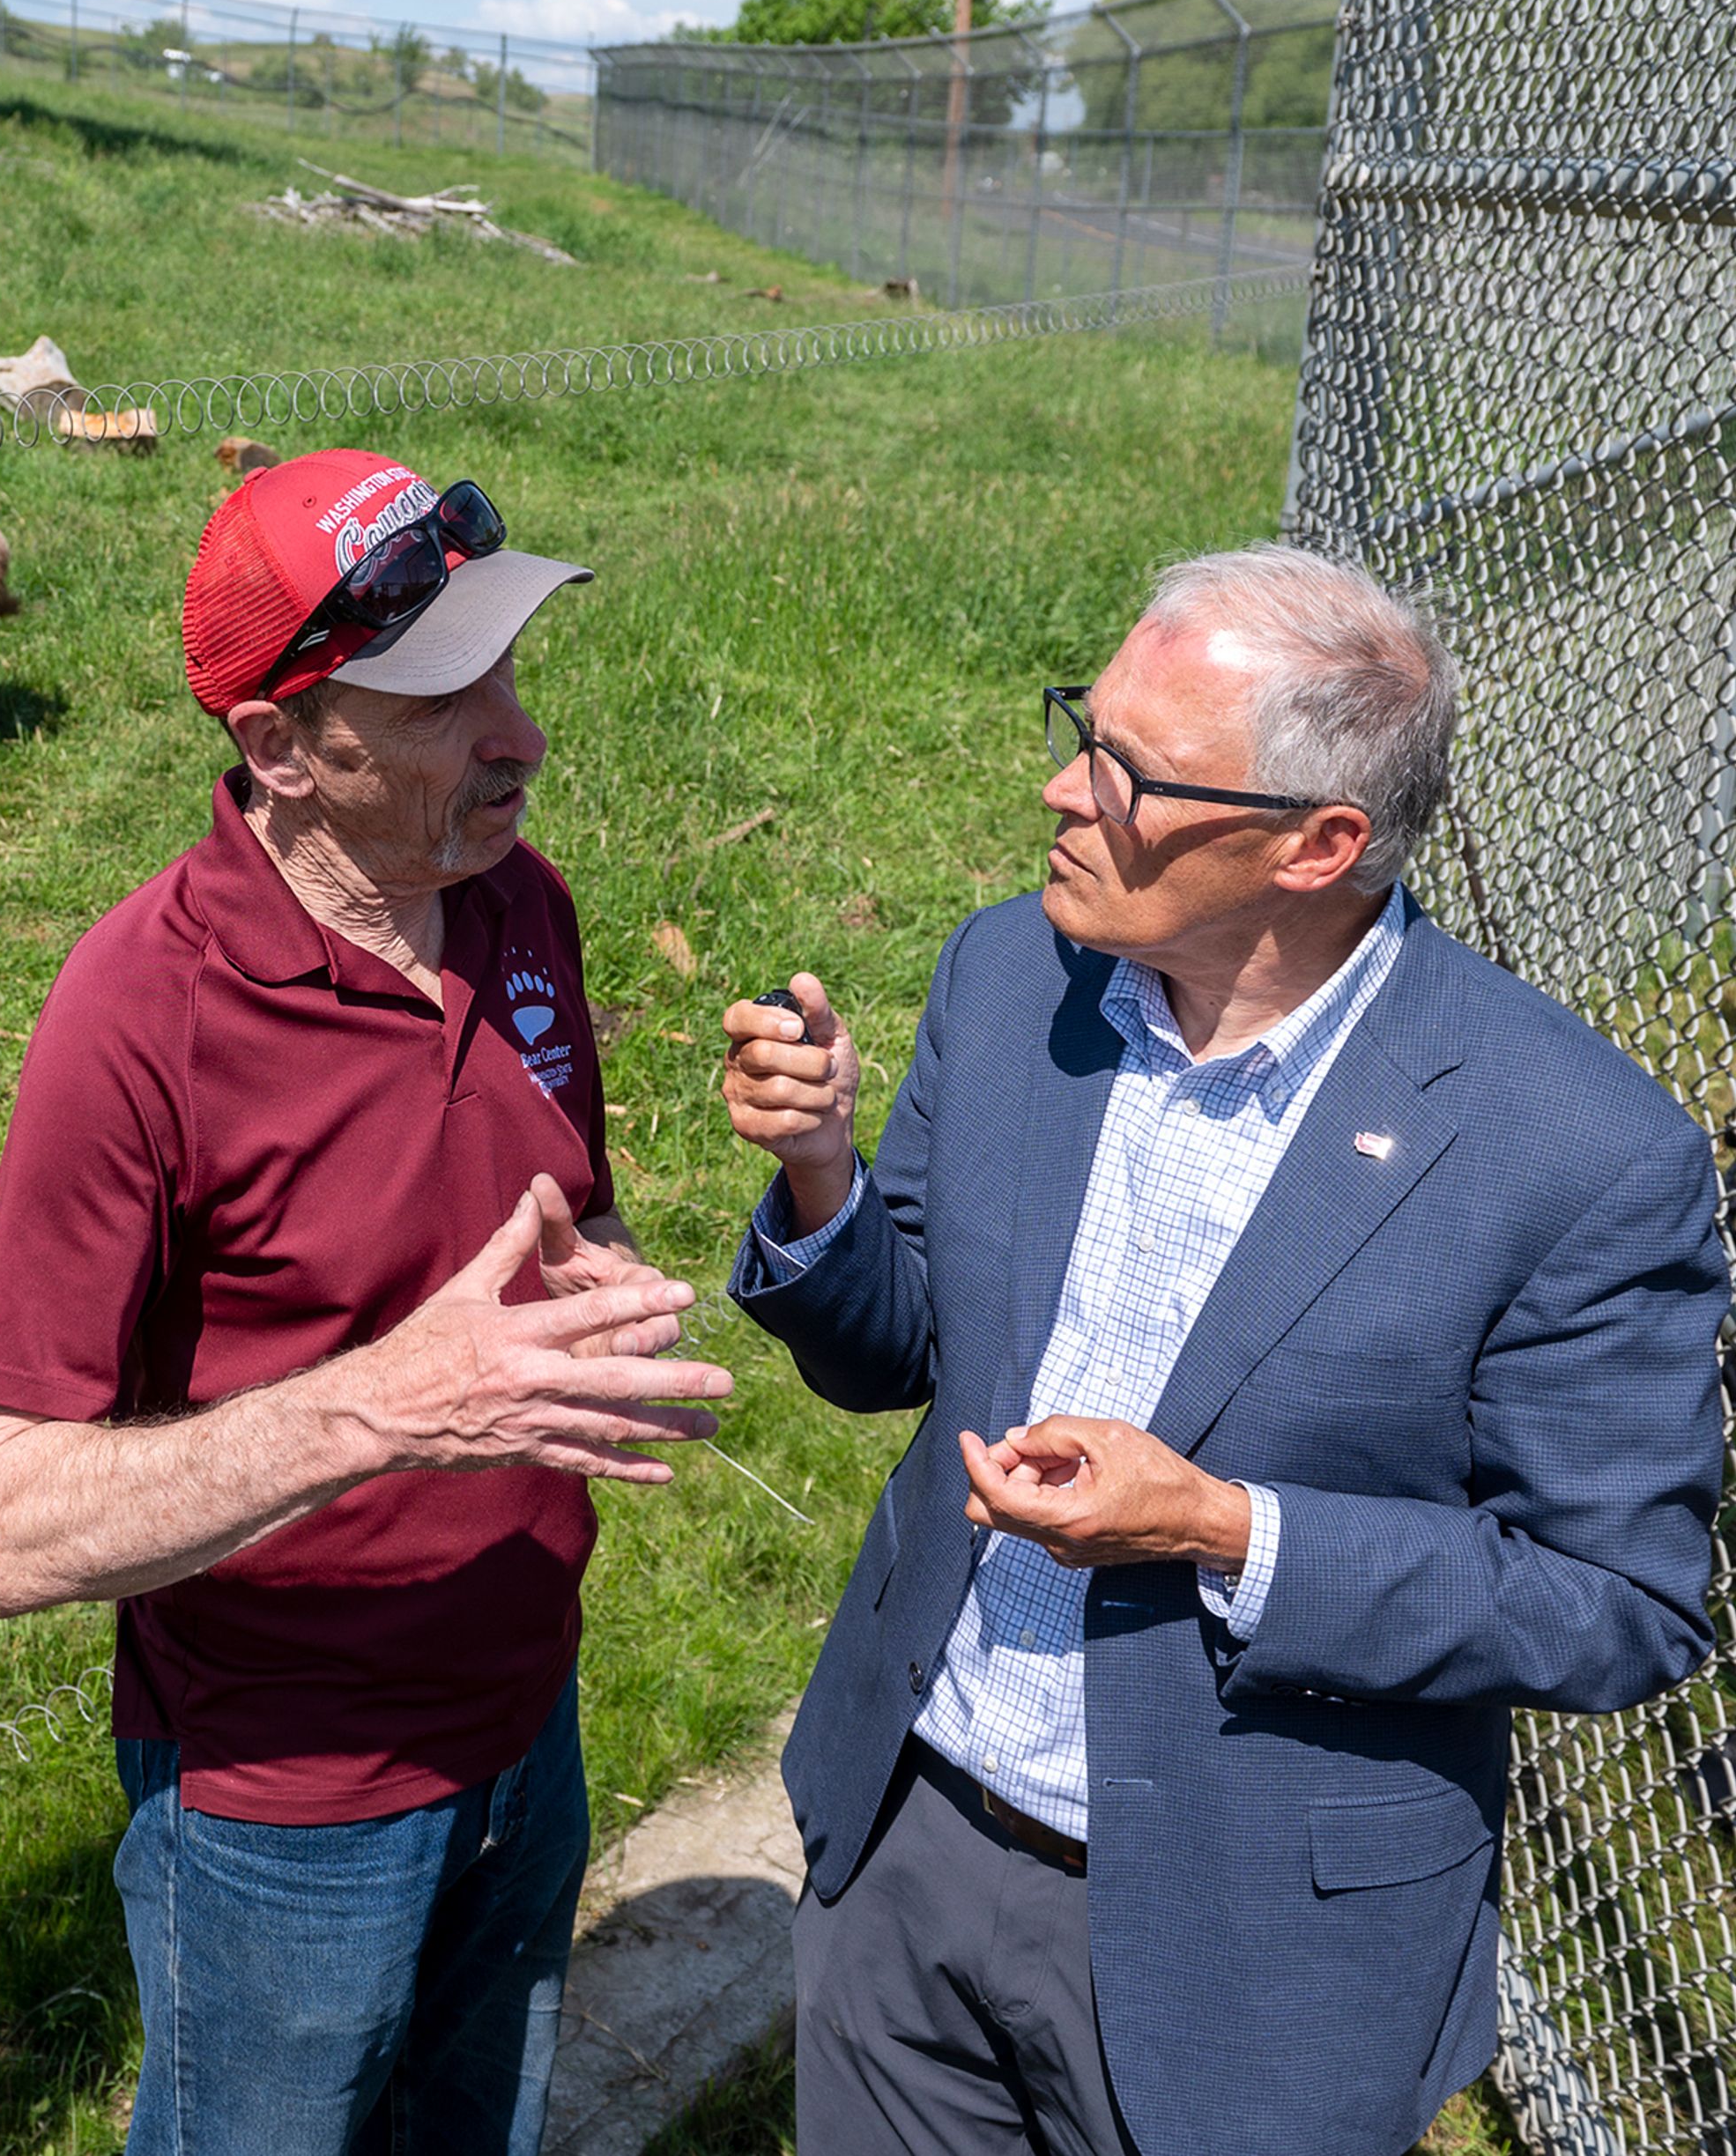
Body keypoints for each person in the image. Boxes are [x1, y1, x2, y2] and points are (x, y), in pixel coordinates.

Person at [717, 544, 1727, 2156]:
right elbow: (896, 1356)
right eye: (1082, 727)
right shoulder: (1011, 976)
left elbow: (1617, 1606)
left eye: (1129, 771)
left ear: (1319, 845)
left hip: (1249, 1944)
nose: (1061, 789)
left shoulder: (1580, 1154)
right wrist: (824, 1179)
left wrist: (1220, 1531)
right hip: (908, 1842)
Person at [0, 448, 734, 2155]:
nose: (522, 736)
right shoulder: (138, 1020)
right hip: (287, 1814)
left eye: (510, 669)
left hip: (532, 1724)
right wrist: (388, 1404)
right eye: (449, 701)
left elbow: (555, 1202)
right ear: (281, 749)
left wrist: (584, 1286)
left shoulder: (523, 909)